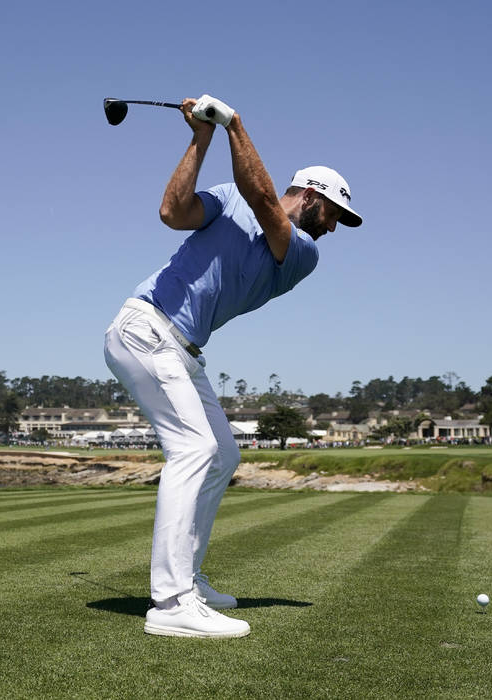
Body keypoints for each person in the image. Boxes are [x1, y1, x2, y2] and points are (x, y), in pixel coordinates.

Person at [103, 94, 362, 638]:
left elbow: (265, 199)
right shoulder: (231, 197)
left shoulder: (302, 251)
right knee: (194, 450)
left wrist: (232, 126)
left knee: (223, 452)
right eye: (335, 214)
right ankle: (172, 604)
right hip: (148, 328)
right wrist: (200, 137)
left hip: (178, 347)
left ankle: (187, 580)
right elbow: (173, 213)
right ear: (314, 196)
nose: (335, 228)